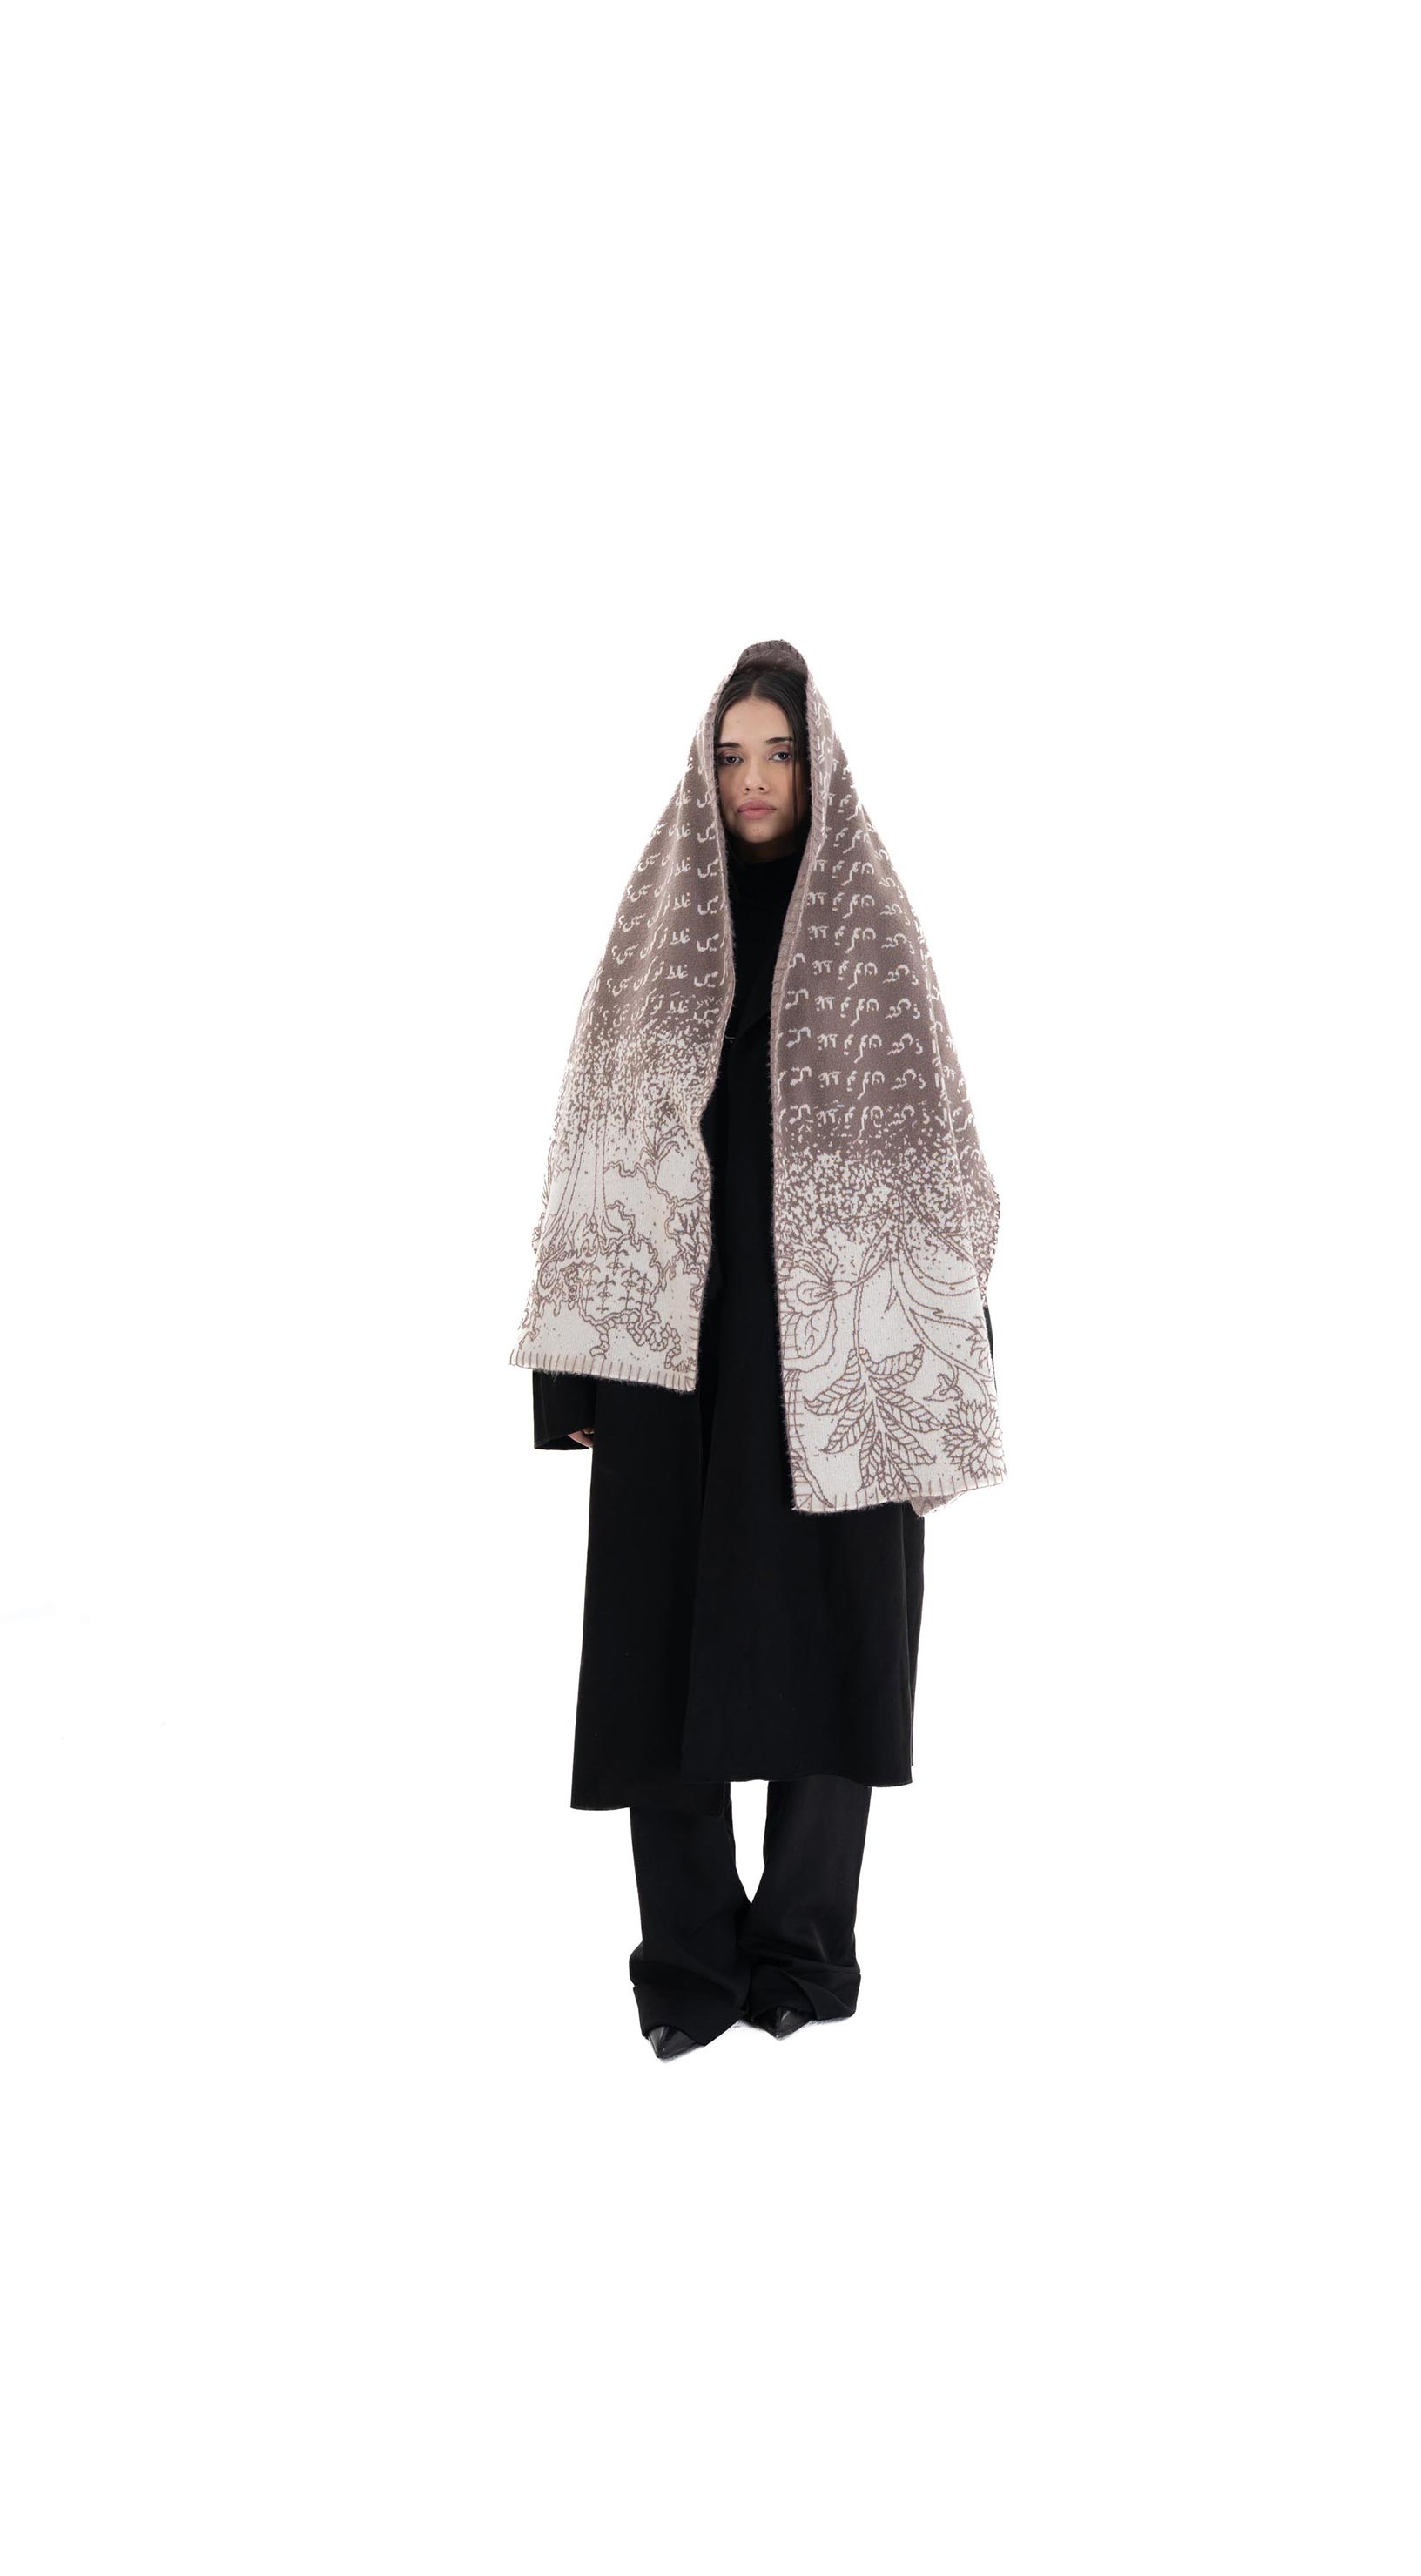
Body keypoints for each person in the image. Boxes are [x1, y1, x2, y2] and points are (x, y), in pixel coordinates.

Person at [511, 640, 1004, 2058]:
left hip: (841, 1362)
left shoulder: (875, 945)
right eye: (731, 755)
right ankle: (687, 1969)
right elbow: (594, 1148)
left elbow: (943, 1175)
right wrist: (574, 1376)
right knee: (658, 1655)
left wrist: (949, 1368)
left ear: (819, 765)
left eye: (778, 751)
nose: (754, 778)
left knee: (831, 1649)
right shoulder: (657, 940)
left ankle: (799, 1952)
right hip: (668, 1359)